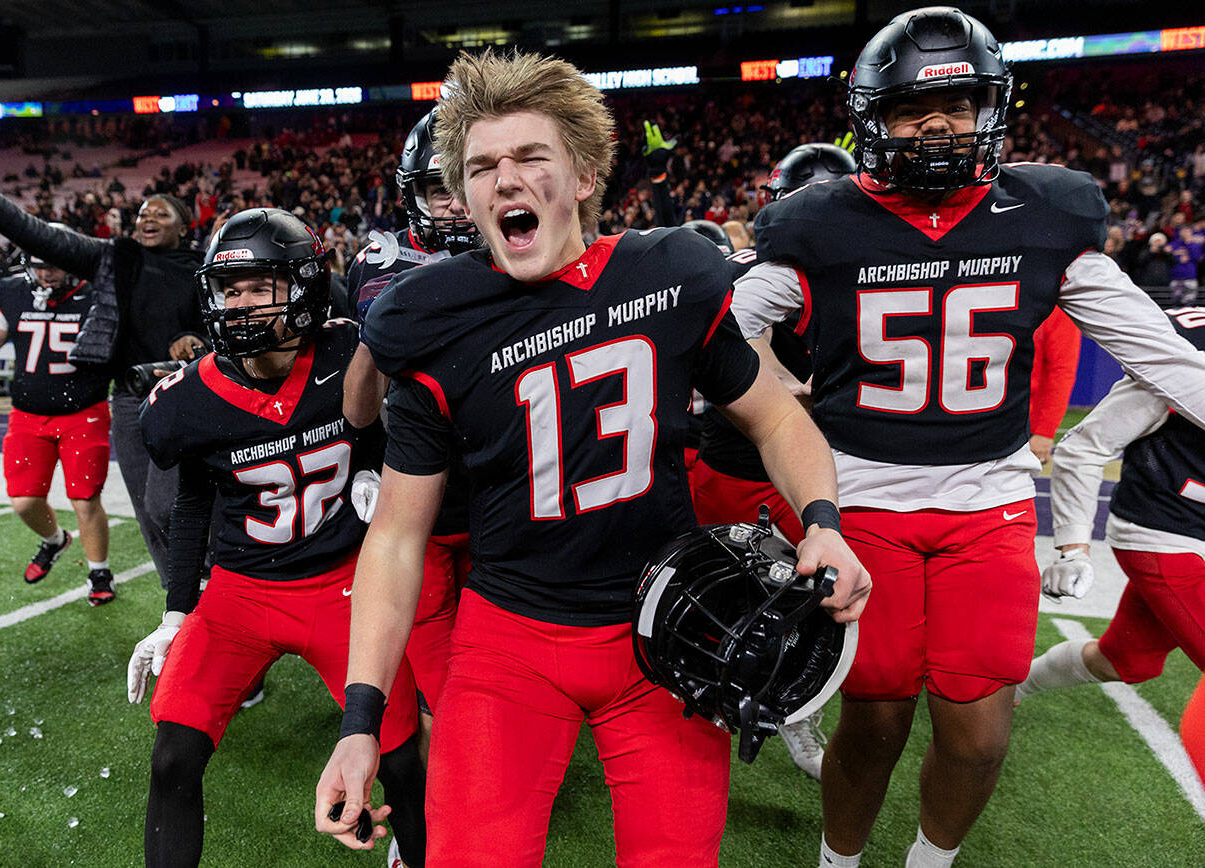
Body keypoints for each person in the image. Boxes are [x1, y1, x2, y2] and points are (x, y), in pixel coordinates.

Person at [313, 48, 869, 867]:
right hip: (509, 643)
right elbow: (396, 535)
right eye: (481, 167)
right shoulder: (429, 319)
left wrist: (823, 522)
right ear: (463, 195)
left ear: (582, 174)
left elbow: (775, 418)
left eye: (531, 157)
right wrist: (360, 724)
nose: (505, 179)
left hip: (666, 631)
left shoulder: (671, 273)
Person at [729, 8, 1205, 867]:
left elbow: (1168, 360)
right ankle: (840, 861)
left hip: (985, 498)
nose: (941, 125)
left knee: (981, 732)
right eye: (915, 109)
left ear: (996, 109)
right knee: (873, 716)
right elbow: (722, 341)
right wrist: (776, 390)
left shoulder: (1047, 214)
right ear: (874, 119)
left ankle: (929, 861)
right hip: (858, 494)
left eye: (963, 104)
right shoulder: (816, 224)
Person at [130, 208, 425, 868]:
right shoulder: (191, 396)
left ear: (303, 286)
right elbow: (192, 503)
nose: (239, 305)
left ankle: (415, 846)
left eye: (257, 286)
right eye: (228, 290)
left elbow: (391, 436)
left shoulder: (350, 352)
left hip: (345, 586)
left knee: (402, 755)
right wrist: (178, 609)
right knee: (173, 752)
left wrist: (377, 475)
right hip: (242, 594)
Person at [0, 170, 203, 591]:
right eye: (143, 212)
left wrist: (196, 339)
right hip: (129, 399)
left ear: (184, 225)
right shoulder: (117, 257)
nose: (148, 217)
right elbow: (41, 236)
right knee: (146, 513)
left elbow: (224, 330)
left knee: (166, 506)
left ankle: (210, 573)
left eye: (161, 213)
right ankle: (180, 600)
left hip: (185, 396)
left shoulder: (203, 271)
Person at [690, 141, 857, 781]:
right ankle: (702, 694)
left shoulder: (872, 265)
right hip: (738, 464)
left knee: (818, 599)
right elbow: (728, 362)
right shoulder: (749, 275)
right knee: (723, 595)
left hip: (830, 466)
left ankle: (798, 706)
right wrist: (805, 388)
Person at [343, 107, 481, 751]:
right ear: (412, 193)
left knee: (505, 669)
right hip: (414, 504)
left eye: (463, 181)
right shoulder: (380, 263)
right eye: (436, 188)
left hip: (509, 499)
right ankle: (431, 821)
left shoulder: (532, 256)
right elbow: (357, 408)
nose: (453, 205)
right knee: (440, 686)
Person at [1017, 305, 1205, 775]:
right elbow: (1083, 449)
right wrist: (1073, 548)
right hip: (1165, 534)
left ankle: (1010, 690)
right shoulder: (1184, 357)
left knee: (1127, 659)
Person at [0, 249, 114, 601]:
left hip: (83, 411)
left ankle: (99, 572)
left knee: (85, 498)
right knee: (23, 501)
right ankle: (55, 540)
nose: (47, 274)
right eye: (40, 266)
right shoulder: (17, 293)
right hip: (28, 414)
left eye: (54, 264)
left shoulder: (95, 294)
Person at [1027, 307, 1081, 465]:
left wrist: (1044, 430)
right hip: (978, 415)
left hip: (1023, 423)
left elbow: (1062, 370)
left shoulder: (1054, 307)